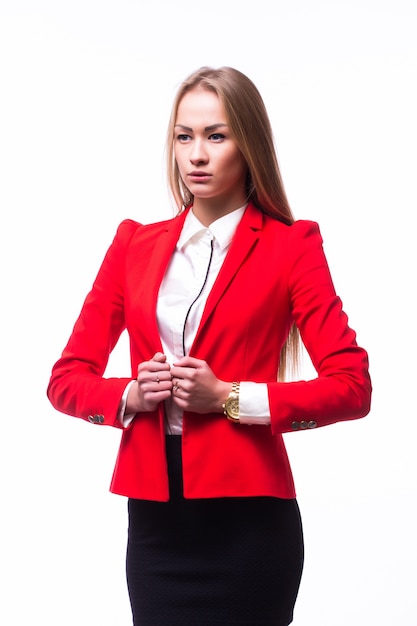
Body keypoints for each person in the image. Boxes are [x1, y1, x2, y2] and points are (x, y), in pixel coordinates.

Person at [47, 66, 372, 626]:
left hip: (249, 523)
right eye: (184, 136)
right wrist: (130, 394)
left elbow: (352, 388)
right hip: (156, 522)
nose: (197, 154)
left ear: (249, 145)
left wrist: (230, 397)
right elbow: (67, 378)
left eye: (216, 136)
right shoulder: (133, 245)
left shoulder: (292, 247)